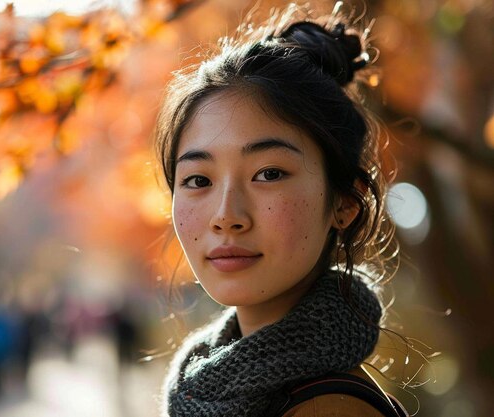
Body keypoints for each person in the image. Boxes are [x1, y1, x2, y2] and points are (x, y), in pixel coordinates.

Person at [153, 3, 408, 417]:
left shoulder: (328, 409)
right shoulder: (203, 384)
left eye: (268, 173)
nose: (226, 215)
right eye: (198, 180)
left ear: (344, 202)